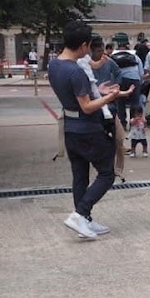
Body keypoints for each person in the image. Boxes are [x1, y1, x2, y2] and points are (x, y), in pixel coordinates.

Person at [48, 21, 132, 239]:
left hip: (70, 127)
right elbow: (86, 106)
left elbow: (78, 95)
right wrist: (110, 97)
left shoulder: (54, 65)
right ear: (83, 45)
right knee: (106, 174)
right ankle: (80, 214)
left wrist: (98, 91)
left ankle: (84, 220)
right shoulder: (75, 71)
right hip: (88, 129)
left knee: (80, 176)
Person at [89, 37, 123, 121]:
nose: (101, 53)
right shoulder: (87, 63)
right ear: (92, 51)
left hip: (108, 95)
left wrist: (116, 85)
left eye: (102, 50)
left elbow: (118, 72)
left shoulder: (108, 61)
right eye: (98, 51)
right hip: (93, 97)